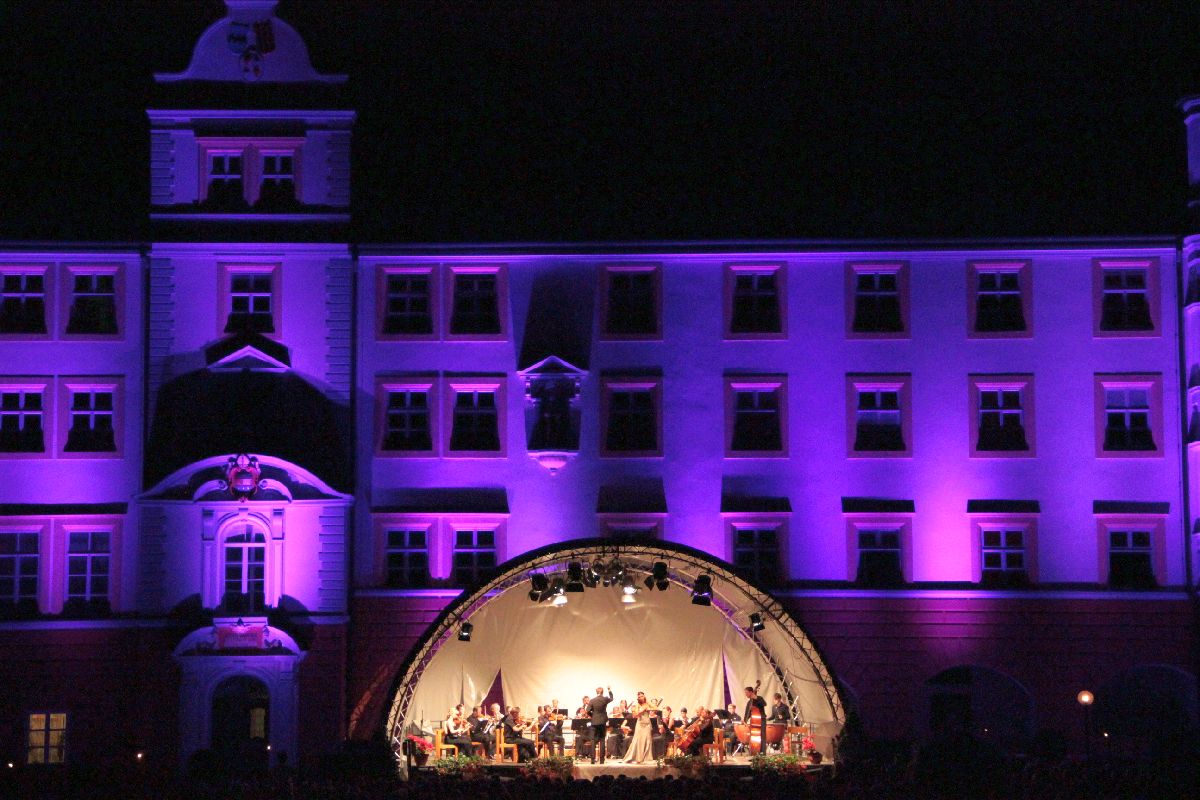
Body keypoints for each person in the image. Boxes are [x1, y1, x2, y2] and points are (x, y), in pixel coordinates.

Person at [623, 692, 657, 764]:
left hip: (647, 724)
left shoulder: (647, 704)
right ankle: (638, 758)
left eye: (642, 696)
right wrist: (642, 710)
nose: (641, 697)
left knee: (647, 740)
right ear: (638, 698)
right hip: (640, 725)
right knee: (639, 740)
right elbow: (635, 715)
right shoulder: (637, 705)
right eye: (639, 697)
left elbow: (655, 708)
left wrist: (647, 707)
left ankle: (646, 758)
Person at [587, 686, 613, 763]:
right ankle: (602, 760)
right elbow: (611, 698)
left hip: (594, 722)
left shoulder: (592, 700)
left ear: (596, 692)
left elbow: (587, 710)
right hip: (602, 722)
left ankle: (592, 759)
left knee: (592, 740)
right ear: (602, 692)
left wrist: (593, 716)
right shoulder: (605, 699)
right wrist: (609, 690)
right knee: (602, 740)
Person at [744, 686, 767, 752]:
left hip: (762, 719)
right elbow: (747, 713)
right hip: (754, 721)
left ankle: (763, 752)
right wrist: (745, 720)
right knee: (754, 735)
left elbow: (764, 704)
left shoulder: (759, 698)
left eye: (746, 693)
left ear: (751, 692)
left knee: (762, 735)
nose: (746, 694)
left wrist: (756, 698)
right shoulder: (749, 702)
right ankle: (755, 750)